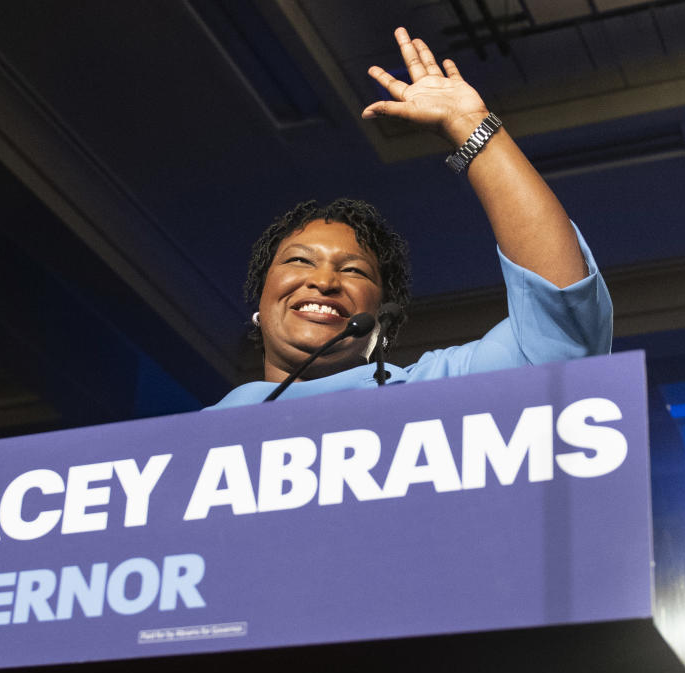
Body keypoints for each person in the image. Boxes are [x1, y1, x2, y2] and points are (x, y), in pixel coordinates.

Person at [211, 27, 612, 409]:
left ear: (380, 322)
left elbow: (562, 334)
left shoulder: (428, 394)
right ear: (261, 301)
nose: (324, 281)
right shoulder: (184, 446)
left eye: (355, 271)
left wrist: (469, 127)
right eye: (299, 260)